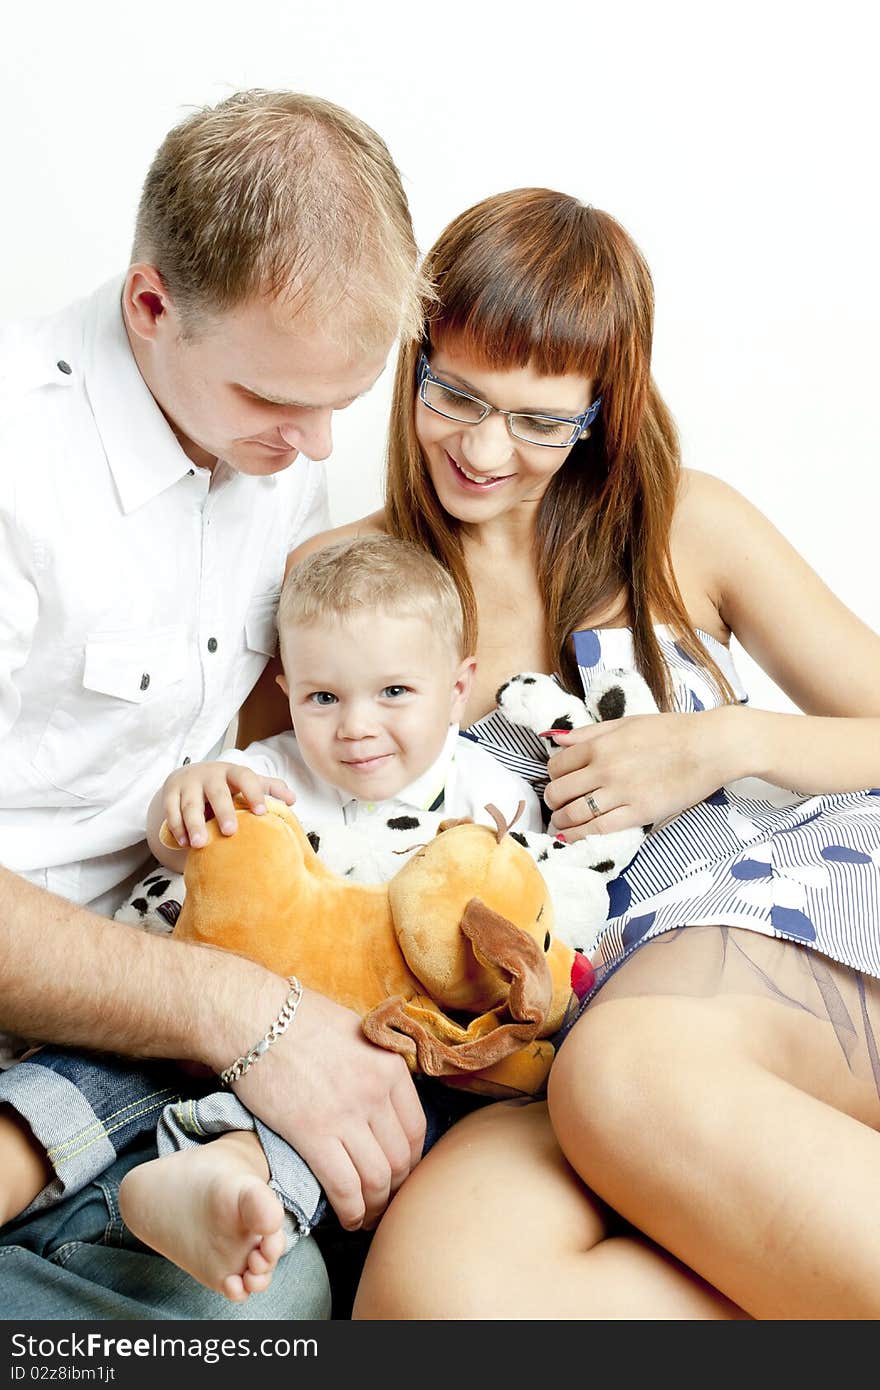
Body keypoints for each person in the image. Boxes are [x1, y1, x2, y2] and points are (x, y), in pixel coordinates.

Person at [265, 188, 879, 1320]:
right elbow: (284, 831)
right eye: (454, 395)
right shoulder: (340, 582)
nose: (485, 450)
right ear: (413, 356)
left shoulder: (689, 524)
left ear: (604, 408)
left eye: (541, 421)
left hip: (782, 897)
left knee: (633, 1074)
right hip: (561, 1019)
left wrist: (717, 742)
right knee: (432, 1294)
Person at [0, 88, 429, 1321]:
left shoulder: (267, 449)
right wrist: (253, 1015)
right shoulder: (22, 462)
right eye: (274, 402)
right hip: (89, 999)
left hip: (130, 1016)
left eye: (338, 400)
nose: (311, 443)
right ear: (152, 305)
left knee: (269, 1289)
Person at [0, 535, 542, 1302]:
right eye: (324, 697)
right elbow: (182, 843)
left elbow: (536, 909)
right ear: (288, 689)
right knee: (112, 1055)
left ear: (458, 689)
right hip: (217, 1019)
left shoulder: (484, 795)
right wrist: (186, 796)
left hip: (375, 1042)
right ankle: (18, 1151)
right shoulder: (271, 773)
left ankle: (226, 1177)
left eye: (393, 693)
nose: (355, 726)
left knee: (382, 1115)